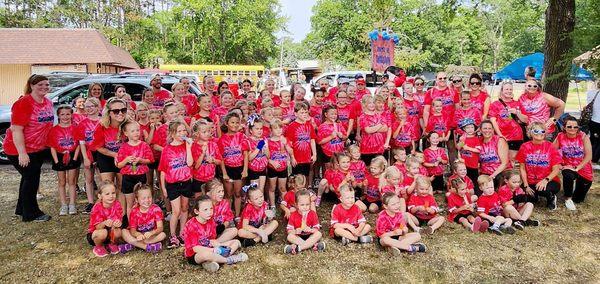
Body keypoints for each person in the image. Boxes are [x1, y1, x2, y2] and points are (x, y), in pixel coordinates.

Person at [4, 75, 54, 222]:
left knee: (29, 178)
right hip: (18, 149)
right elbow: (17, 130)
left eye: (46, 84)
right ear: (31, 85)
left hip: (38, 149)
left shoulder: (48, 102)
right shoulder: (24, 103)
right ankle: (31, 213)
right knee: (31, 179)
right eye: (40, 84)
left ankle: (21, 208)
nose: (44, 87)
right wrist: (22, 153)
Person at [183, 195, 248, 272]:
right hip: (196, 254)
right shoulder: (191, 225)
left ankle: (212, 261)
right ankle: (229, 260)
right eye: (205, 210)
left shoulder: (211, 221)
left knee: (236, 242)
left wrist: (218, 245)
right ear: (197, 211)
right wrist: (215, 250)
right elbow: (195, 248)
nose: (209, 212)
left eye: (211, 208)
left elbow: (212, 239)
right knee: (205, 255)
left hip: (210, 247)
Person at [158, 120, 194, 248]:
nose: (183, 133)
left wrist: (189, 147)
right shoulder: (167, 150)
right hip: (172, 183)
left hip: (185, 182)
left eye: (184, 130)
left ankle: (182, 233)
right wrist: (163, 188)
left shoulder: (187, 146)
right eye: (179, 131)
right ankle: (173, 235)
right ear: (172, 134)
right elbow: (163, 171)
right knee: (176, 210)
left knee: (184, 208)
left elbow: (190, 163)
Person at [91, 98, 128, 214]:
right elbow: (97, 147)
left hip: (123, 159)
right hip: (106, 156)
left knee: (122, 186)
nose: (120, 113)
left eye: (123, 110)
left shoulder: (128, 124)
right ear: (109, 112)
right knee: (108, 188)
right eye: (116, 111)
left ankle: (121, 215)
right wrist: (114, 154)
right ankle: (102, 215)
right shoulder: (102, 126)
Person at [516, 122, 561, 210]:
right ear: (530, 132)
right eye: (536, 131)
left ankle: (551, 198)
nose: (539, 133)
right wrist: (526, 185)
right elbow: (522, 168)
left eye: (542, 131)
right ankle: (535, 196)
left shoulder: (550, 147)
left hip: (549, 181)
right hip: (531, 181)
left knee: (544, 189)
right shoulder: (524, 147)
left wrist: (545, 180)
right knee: (524, 195)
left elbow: (556, 169)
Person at [553, 116, 593, 210]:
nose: (572, 129)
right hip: (568, 165)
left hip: (583, 167)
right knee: (567, 174)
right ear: (564, 127)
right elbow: (553, 152)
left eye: (575, 127)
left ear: (578, 128)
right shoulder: (560, 136)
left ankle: (574, 193)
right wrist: (559, 164)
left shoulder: (583, 136)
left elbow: (589, 156)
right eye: (569, 126)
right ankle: (568, 198)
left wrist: (577, 168)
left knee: (578, 199)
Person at [47, 105, 81, 216]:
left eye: (68, 114)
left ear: (72, 115)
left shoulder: (76, 128)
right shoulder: (54, 130)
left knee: (72, 181)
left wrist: (75, 158)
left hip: (72, 155)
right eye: (62, 114)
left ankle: (72, 204)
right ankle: (63, 204)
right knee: (62, 182)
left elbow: (79, 145)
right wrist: (56, 161)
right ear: (58, 115)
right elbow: (52, 146)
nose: (65, 116)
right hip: (59, 156)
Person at [116, 120, 154, 218]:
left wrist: (140, 160)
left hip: (141, 176)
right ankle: (131, 224)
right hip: (128, 177)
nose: (136, 133)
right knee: (130, 203)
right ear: (126, 133)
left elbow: (150, 160)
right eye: (132, 131)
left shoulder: (144, 145)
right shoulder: (123, 147)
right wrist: (126, 160)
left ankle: (142, 221)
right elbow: (119, 165)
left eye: (138, 130)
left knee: (142, 201)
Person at [218, 112, 249, 217]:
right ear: (226, 123)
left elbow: (245, 154)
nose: (235, 125)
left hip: (239, 168)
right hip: (227, 168)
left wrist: (245, 170)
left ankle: (237, 215)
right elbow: (221, 158)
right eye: (232, 122)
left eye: (237, 122)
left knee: (237, 193)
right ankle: (228, 215)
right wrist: (224, 173)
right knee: (228, 194)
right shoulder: (222, 139)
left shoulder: (242, 136)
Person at [121, 183, 166, 253]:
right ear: (136, 200)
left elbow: (160, 228)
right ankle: (146, 247)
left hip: (150, 236)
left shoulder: (156, 209)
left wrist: (151, 233)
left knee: (163, 235)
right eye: (143, 198)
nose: (147, 200)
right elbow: (132, 231)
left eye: (149, 197)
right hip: (138, 237)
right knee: (124, 232)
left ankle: (134, 245)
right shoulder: (134, 212)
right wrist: (138, 234)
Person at [488, 82, 526, 162]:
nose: (508, 91)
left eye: (510, 89)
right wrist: (500, 135)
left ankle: (512, 174)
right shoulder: (495, 104)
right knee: (501, 160)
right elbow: (493, 120)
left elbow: (525, 120)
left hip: (516, 136)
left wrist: (517, 112)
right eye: (506, 89)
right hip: (502, 136)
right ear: (502, 91)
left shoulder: (517, 103)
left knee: (512, 160)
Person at [76, 97, 102, 213]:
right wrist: (85, 158)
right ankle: (91, 202)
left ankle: (104, 200)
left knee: (102, 178)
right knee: (89, 178)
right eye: (87, 107)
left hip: (101, 151)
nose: (89, 109)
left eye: (92, 106)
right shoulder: (82, 123)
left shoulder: (103, 121)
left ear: (97, 107)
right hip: (88, 152)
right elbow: (81, 142)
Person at [87, 181, 125, 257]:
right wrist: (104, 223)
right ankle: (98, 246)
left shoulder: (117, 204)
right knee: (103, 233)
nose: (111, 196)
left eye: (113, 193)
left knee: (119, 232)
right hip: (97, 233)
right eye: (107, 194)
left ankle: (111, 244)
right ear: (100, 196)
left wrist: (118, 223)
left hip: (110, 232)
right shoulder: (97, 207)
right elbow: (97, 227)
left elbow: (119, 220)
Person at [283, 190, 325, 254]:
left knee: (318, 234)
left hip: (310, 235)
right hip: (298, 236)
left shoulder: (312, 214)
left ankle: (298, 248)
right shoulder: (293, 215)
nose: (305, 207)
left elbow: (316, 228)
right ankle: (313, 245)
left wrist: (310, 230)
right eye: (302, 205)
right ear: (296, 205)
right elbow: (289, 230)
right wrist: (295, 231)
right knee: (289, 236)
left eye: (307, 204)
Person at [286, 102, 317, 188]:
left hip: (307, 157)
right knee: (297, 178)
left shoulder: (309, 125)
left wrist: (314, 154)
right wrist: (292, 157)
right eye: (302, 112)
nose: (304, 114)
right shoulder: (291, 126)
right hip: (297, 158)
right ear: (296, 113)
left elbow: (312, 140)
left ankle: (305, 193)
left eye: (306, 112)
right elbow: (288, 144)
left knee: (305, 177)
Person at [267, 119, 294, 208]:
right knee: (272, 188)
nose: (279, 130)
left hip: (283, 168)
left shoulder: (285, 139)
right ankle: (272, 206)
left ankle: (285, 205)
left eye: (280, 128)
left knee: (282, 188)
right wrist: (271, 162)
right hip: (272, 168)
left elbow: (290, 151)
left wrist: (285, 144)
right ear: (271, 130)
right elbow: (262, 155)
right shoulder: (267, 141)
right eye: (276, 128)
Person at [479, 120, 510, 186]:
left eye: (489, 128)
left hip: (500, 173)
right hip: (484, 174)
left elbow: (504, 163)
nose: (487, 130)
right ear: (480, 130)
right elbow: (461, 146)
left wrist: (492, 176)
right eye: (485, 128)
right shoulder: (478, 141)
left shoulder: (499, 140)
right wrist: (461, 143)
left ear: (493, 130)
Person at [587, 81, 600, 168]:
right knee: (599, 142)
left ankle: (588, 158)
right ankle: (594, 161)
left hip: (592, 120)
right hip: (598, 121)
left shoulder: (591, 93)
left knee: (592, 140)